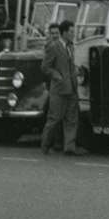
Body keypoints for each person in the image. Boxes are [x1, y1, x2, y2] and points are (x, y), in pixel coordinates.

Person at [40, 20, 80, 156]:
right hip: (58, 90)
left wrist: (76, 73)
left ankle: (69, 148)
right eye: (71, 32)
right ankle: (45, 146)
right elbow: (45, 67)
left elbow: (70, 65)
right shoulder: (54, 47)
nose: (73, 34)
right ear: (64, 33)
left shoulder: (71, 46)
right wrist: (57, 75)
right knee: (54, 119)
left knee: (71, 119)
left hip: (72, 89)